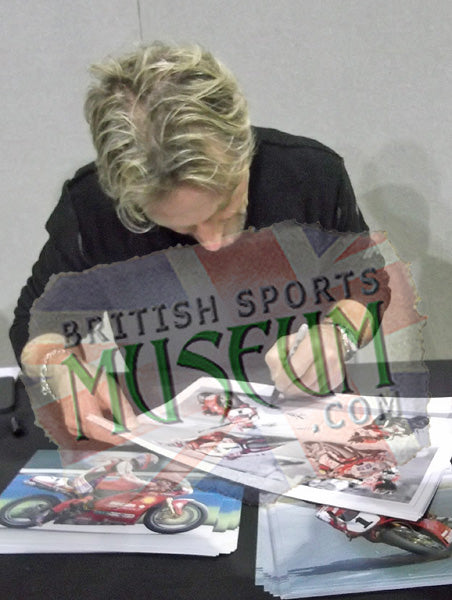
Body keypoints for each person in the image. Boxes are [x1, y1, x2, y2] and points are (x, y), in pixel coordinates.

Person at [12, 43, 390, 444]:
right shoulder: (93, 209)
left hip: (306, 427)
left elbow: (366, 284)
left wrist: (340, 334)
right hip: (172, 439)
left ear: (242, 146)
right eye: (183, 228)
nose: (212, 243)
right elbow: (35, 323)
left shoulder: (309, 175)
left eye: (225, 207)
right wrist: (58, 369)